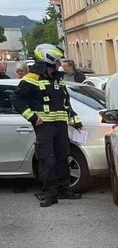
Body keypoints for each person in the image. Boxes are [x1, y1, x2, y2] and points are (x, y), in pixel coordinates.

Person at [12, 44, 83, 207]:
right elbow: (16, 99)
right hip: (44, 127)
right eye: (57, 61)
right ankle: (50, 194)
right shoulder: (32, 78)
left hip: (60, 125)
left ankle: (64, 190)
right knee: (47, 160)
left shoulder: (58, 79)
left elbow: (66, 102)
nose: (59, 65)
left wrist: (75, 120)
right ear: (48, 60)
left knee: (62, 157)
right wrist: (32, 117)